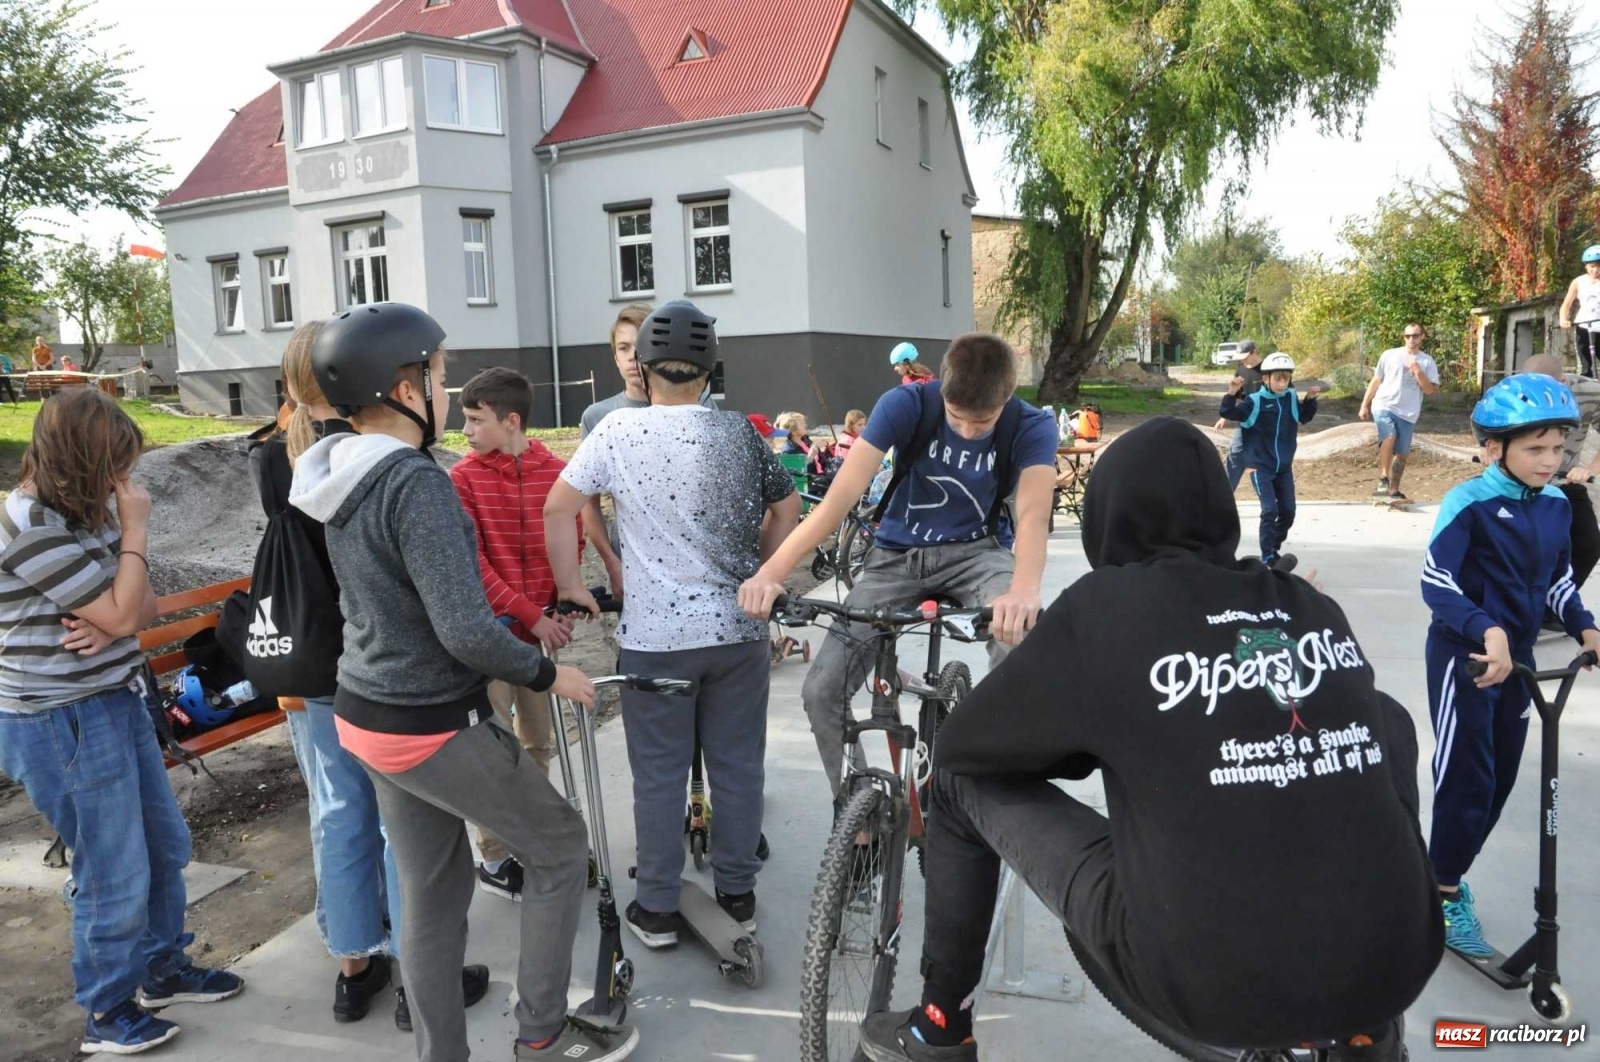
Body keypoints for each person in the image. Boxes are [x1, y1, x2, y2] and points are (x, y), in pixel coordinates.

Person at [858, 416, 1441, 1062]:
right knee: (1385, 718)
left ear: (1108, 516)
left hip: (1204, 984)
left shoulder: (1106, 608)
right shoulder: (1308, 604)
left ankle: (941, 1024)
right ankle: (1363, 1032)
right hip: (1396, 966)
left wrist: (1087, 728)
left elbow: (968, 744)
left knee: (959, 784)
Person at [287, 303, 635, 1062]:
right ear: (405, 387)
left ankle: (441, 1053)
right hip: (431, 719)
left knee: (435, 893)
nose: (445, 391)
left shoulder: (340, 474)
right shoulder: (414, 484)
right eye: (439, 375)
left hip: (367, 714)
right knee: (558, 847)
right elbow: (466, 629)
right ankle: (542, 1034)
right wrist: (551, 672)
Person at [546, 299, 799, 947]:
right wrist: (764, 575)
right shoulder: (737, 431)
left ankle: (657, 908)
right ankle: (736, 894)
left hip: (655, 641)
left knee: (659, 773)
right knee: (738, 767)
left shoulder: (614, 433)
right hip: (738, 634)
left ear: (647, 369)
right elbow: (788, 504)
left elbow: (560, 507)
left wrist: (574, 586)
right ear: (710, 369)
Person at [0, 388, 245, 1055]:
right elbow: (120, 614)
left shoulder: (85, 517)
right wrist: (133, 542)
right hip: (61, 719)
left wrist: (117, 615)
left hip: (116, 697)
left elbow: (144, 608)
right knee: (112, 869)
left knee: (165, 847)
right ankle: (107, 1013)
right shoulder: (26, 520)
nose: (125, 486)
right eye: (115, 470)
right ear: (81, 463)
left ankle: (161, 968)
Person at [740, 333, 1058, 796]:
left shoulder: (1032, 426)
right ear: (940, 387)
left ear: (1007, 398)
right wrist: (770, 573)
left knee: (1022, 638)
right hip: (894, 558)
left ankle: (1000, 782)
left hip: (978, 553)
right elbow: (836, 503)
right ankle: (857, 809)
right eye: (957, 418)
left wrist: (1024, 590)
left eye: (983, 422)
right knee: (821, 692)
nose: (968, 432)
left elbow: (1033, 513)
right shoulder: (905, 405)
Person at [1420, 373, 1600, 961]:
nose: (1551, 461)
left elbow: (1558, 581)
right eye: (1536, 449)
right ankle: (1442, 894)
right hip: (1466, 660)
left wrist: (1586, 625)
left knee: (1497, 783)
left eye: (1558, 449)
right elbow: (1436, 582)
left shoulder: (1554, 506)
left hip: (1516, 664)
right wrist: (1488, 630)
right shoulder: (1467, 503)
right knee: (1467, 778)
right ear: (1494, 447)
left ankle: (1442, 875)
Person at [259, 322, 405, 1026]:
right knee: (404, 820)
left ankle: (353, 968)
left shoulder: (274, 462)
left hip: (312, 667)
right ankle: (418, 966)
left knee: (338, 814)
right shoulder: (369, 455)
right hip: (377, 665)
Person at [450, 366, 581, 903]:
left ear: (512, 421)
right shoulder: (462, 478)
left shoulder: (559, 472)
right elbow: (473, 563)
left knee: (536, 742)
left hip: (540, 633)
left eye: (476, 420)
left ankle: (533, 838)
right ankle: (496, 854)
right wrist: (530, 613)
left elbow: (569, 539)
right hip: (494, 636)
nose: (465, 430)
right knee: (493, 747)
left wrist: (566, 601)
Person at [578, 304, 719, 599]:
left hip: (695, 559)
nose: (631, 356)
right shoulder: (598, 416)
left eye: (638, 345)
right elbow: (585, 502)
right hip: (632, 562)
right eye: (623, 347)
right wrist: (610, 562)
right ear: (614, 356)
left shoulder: (701, 407)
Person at [1218, 352, 1322, 572]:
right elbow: (1228, 412)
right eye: (1277, 378)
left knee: (1288, 511)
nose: (1282, 383)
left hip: (1283, 468)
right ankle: (1267, 558)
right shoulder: (1255, 401)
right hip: (1260, 467)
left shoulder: (1291, 397)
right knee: (1269, 510)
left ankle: (1273, 548)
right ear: (1266, 379)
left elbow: (1303, 417)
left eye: (1286, 378)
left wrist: (1310, 400)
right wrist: (1231, 393)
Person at [1522, 353, 1600, 597]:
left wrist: (1589, 470)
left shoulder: (1590, 391)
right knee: (1524, 546)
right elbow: (1484, 422)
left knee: (1588, 543)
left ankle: (1556, 606)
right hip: (1520, 480)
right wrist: (1486, 449)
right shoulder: (1515, 390)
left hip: (1564, 479)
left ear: (1562, 383)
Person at [1359, 323, 1440, 503]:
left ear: (1422, 337)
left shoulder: (1427, 361)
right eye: (1408, 336)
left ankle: (1394, 489)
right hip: (1384, 404)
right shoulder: (1390, 355)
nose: (1411, 339)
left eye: (1415, 336)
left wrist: (1417, 370)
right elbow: (1376, 380)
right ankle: (1383, 479)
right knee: (1389, 436)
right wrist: (1365, 404)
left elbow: (1429, 390)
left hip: (1408, 413)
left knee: (1402, 454)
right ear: (1403, 337)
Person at [1211, 340, 1262, 490]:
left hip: (1266, 422)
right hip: (1246, 420)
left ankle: (1270, 504)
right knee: (1235, 454)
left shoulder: (1268, 369)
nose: (1242, 360)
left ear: (1254, 351)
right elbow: (1237, 397)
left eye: (1245, 356)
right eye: (1240, 357)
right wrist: (1224, 417)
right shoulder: (1241, 371)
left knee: (1261, 463)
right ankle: (1223, 496)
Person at [1557, 245, 1600, 378]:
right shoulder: (1578, 282)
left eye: (1599, 266)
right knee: (1585, 366)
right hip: (1583, 327)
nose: (1596, 270)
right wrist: (1563, 319)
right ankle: (1584, 394)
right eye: (1592, 266)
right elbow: (1566, 304)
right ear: (1586, 266)